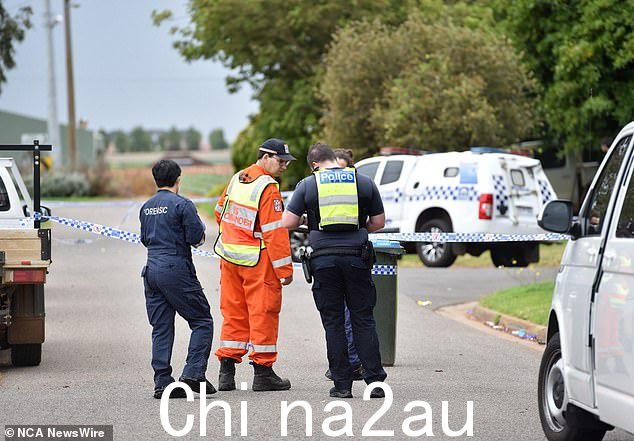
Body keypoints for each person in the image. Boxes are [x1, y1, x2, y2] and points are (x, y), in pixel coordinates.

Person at [282, 143, 387, 399]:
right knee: (363, 319)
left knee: (334, 324)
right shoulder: (363, 182)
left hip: (324, 261)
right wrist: (358, 231)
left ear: (314, 164)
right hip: (357, 258)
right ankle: (375, 383)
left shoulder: (308, 184)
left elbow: (288, 222)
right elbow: (379, 222)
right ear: (334, 159)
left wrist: (310, 222)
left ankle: (342, 385)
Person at [213, 138, 295, 392]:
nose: (284, 167)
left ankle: (226, 373)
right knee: (263, 312)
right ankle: (263, 373)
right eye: (281, 161)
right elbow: (275, 232)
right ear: (266, 157)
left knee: (234, 313)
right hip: (257, 261)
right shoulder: (268, 187)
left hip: (230, 258)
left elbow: (219, 212)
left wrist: (236, 238)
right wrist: (285, 270)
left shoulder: (238, 178)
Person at [140, 159, 215, 399]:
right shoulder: (183, 204)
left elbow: (144, 239)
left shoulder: (146, 207)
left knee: (161, 327)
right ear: (178, 179)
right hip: (176, 268)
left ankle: (162, 382)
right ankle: (193, 374)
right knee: (202, 320)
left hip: (151, 269)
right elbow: (196, 237)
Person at [323, 147, 364, 382]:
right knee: (340, 316)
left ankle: (351, 362)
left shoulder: (356, 187)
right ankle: (347, 361)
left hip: (349, 256)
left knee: (349, 315)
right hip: (337, 257)